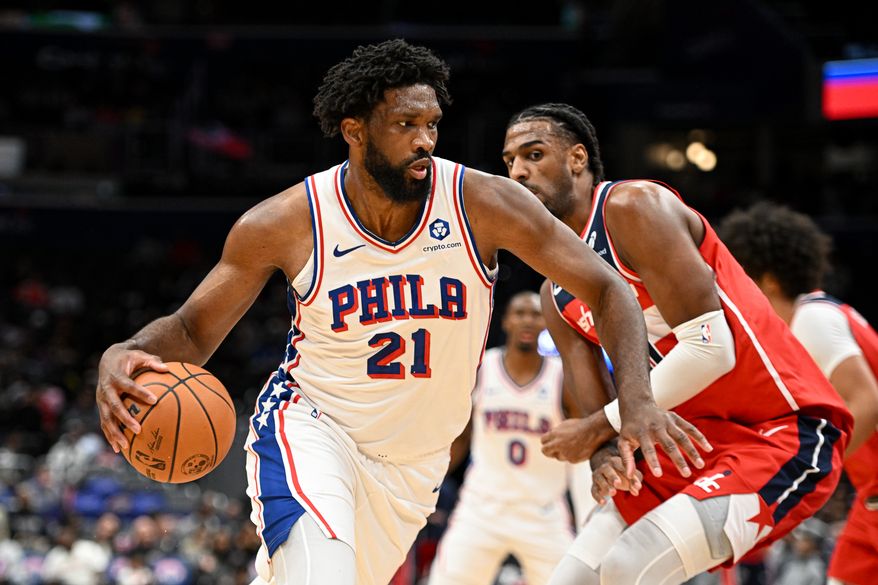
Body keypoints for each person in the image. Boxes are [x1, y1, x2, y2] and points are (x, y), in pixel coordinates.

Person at [94, 41, 705, 585]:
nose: (424, 141)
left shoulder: (485, 203)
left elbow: (609, 289)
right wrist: (123, 354)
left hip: (415, 468)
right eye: (405, 124)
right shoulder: (285, 222)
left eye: (432, 124)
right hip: (314, 430)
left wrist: (637, 404)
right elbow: (193, 329)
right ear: (354, 130)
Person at [500, 103, 853, 585]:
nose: (518, 171)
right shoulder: (554, 292)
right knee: (572, 578)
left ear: (578, 159)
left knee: (628, 568)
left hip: (782, 432)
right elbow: (598, 421)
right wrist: (603, 457)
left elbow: (713, 350)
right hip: (685, 440)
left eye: (533, 154)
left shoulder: (633, 207)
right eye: (509, 162)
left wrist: (595, 427)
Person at [719, 202, 878, 585]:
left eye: (740, 280)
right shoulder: (810, 322)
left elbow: (869, 402)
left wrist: (811, 472)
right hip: (869, 494)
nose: (730, 294)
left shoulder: (812, 318)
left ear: (769, 280)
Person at [427, 291, 590, 585]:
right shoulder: (482, 368)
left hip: (543, 512)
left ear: (546, 323)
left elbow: (580, 447)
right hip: (481, 508)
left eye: (535, 314)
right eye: (520, 313)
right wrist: (428, 486)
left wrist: (586, 511)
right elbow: (460, 438)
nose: (527, 320)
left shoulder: (561, 377)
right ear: (505, 321)